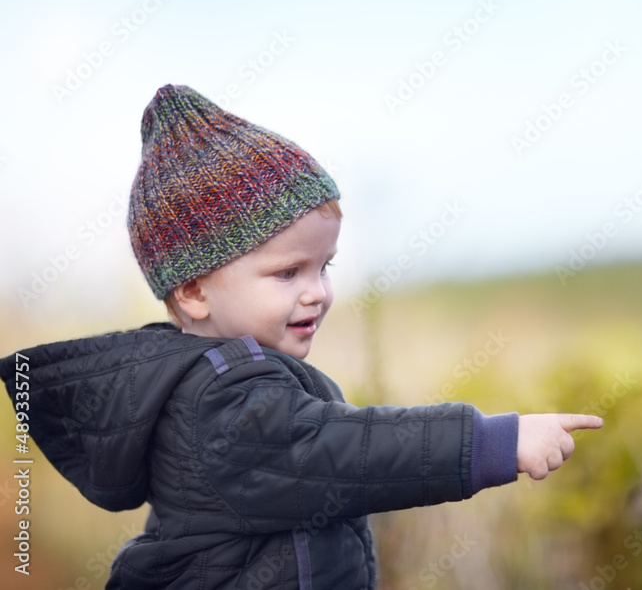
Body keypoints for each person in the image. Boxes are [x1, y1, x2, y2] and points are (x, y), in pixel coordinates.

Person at [0, 84, 603, 589]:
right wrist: (494, 442)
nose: (316, 291)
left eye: (324, 266)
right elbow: (344, 452)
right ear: (193, 291)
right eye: (287, 272)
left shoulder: (215, 380)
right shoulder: (217, 401)